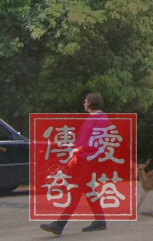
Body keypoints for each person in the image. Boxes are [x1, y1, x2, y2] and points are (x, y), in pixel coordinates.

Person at [39, 92, 112, 235]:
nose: (84, 103)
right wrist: (75, 154)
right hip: (83, 159)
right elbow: (82, 139)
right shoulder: (91, 119)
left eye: (85, 101)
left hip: (90, 161)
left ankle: (59, 224)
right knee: (87, 190)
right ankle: (100, 220)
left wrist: (79, 149)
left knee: (76, 190)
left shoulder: (102, 119)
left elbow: (95, 142)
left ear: (90, 103)